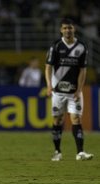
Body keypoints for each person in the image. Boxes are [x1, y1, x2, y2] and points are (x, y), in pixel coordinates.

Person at [45, 18, 93, 162]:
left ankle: (80, 152)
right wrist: (48, 86)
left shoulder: (81, 47)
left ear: (74, 29)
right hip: (57, 91)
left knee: (76, 119)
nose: (67, 30)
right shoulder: (56, 46)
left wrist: (79, 90)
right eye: (65, 28)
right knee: (57, 120)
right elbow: (48, 67)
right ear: (61, 30)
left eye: (70, 28)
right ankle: (57, 151)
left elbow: (83, 71)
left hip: (74, 92)